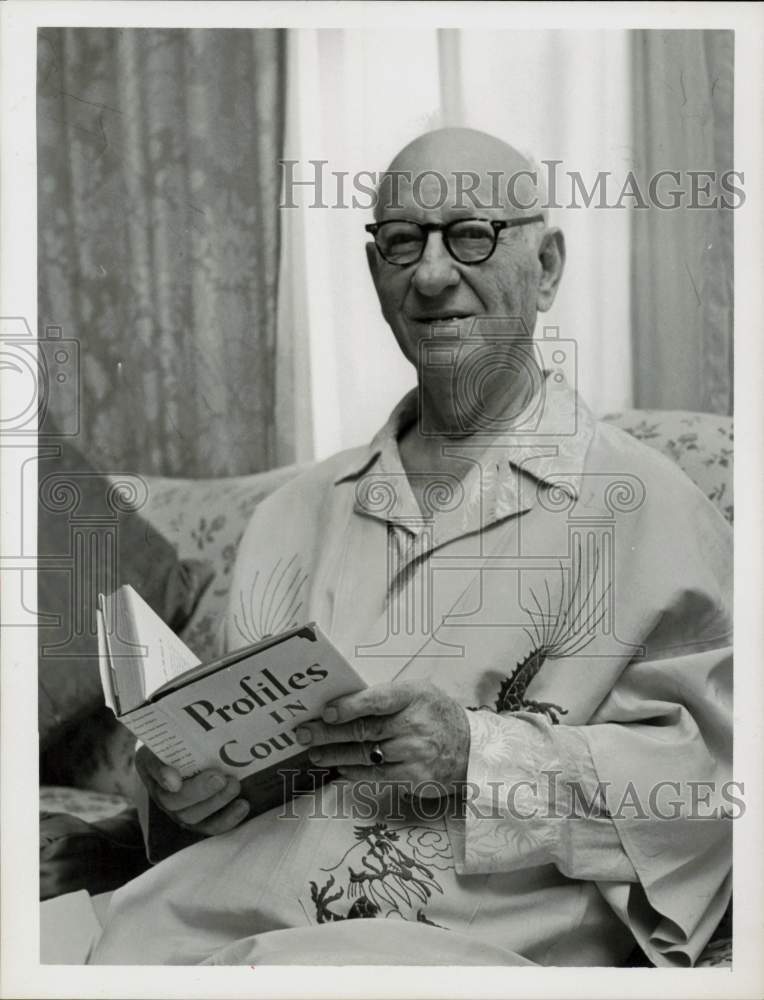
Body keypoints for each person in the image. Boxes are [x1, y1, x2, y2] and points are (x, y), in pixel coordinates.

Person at [90, 128, 732, 966]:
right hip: (199, 915)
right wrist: (184, 794)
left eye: (473, 235)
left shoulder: (649, 504)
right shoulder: (292, 514)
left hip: (442, 946)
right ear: (376, 271)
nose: (431, 275)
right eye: (403, 242)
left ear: (545, 267)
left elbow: (714, 801)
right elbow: (224, 771)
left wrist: (476, 754)